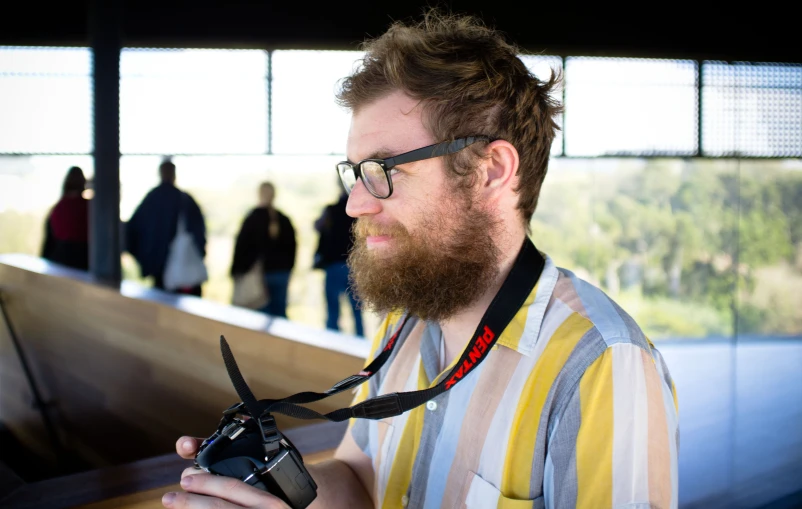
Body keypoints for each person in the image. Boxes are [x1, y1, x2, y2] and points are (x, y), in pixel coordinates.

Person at [166, 11, 679, 509]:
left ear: (489, 170)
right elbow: (362, 478)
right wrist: (276, 492)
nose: (355, 203)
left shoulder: (601, 365)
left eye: (384, 170)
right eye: (355, 172)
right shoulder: (403, 319)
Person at [126, 159, 206, 296]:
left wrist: (146, 259)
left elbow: (132, 230)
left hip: (158, 268)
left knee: (160, 306)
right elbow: (199, 235)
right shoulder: (185, 199)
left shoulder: (151, 199)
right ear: (174, 175)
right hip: (182, 268)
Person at [230, 182, 297, 318]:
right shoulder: (284, 219)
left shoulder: (252, 219)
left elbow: (241, 249)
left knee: (260, 319)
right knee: (280, 316)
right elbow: (293, 248)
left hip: (259, 276)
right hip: (281, 274)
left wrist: (235, 272)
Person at [314, 189, 364, 336]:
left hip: (334, 264)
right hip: (355, 266)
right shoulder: (360, 211)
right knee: (356, 311)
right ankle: (359, 344)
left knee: (333, 310)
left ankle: (332, 344)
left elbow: (317, 227)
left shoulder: (331, 210)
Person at [41, 166, 90, 270]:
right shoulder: (90, 208)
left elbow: (48, 243)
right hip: (84, 262)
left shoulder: (57, 208)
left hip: (59, 262)